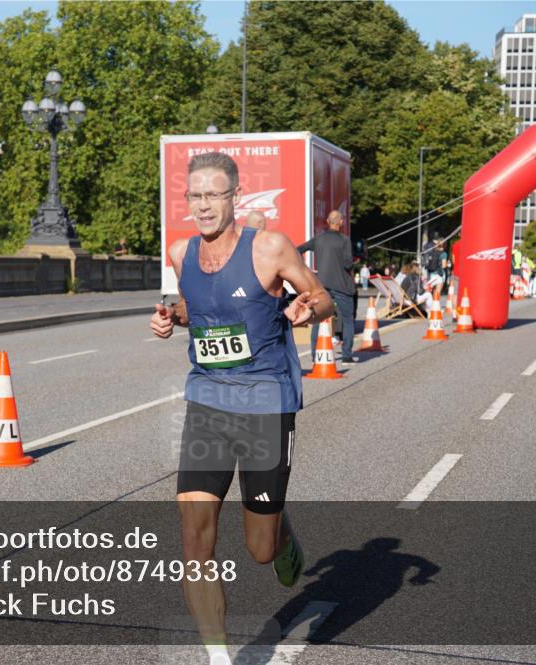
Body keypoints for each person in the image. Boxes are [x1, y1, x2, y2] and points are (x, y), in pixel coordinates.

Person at [150, 151, 331, 665]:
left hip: (266, 402)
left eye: (213, 194)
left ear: (234, 197)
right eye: (195, 195)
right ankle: (218, 657)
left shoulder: (270, 248)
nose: (203, 205)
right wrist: (173, 317)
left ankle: (280, 532)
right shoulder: (181, 253)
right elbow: (197, 310)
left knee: (259, 549)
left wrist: (304, 307)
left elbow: (323, 298)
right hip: (207, 399)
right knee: (193, 534)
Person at [297, 210, 357, 364]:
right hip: (342, 286)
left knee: (318, 319)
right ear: (341, 222)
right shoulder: (344, 240)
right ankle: (347, 356)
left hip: (322, 286)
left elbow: (298, 250)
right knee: (348, 319)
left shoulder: (319, 239)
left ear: (328, 221)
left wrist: (304, 271)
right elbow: (347, 264)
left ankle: (315, 355)